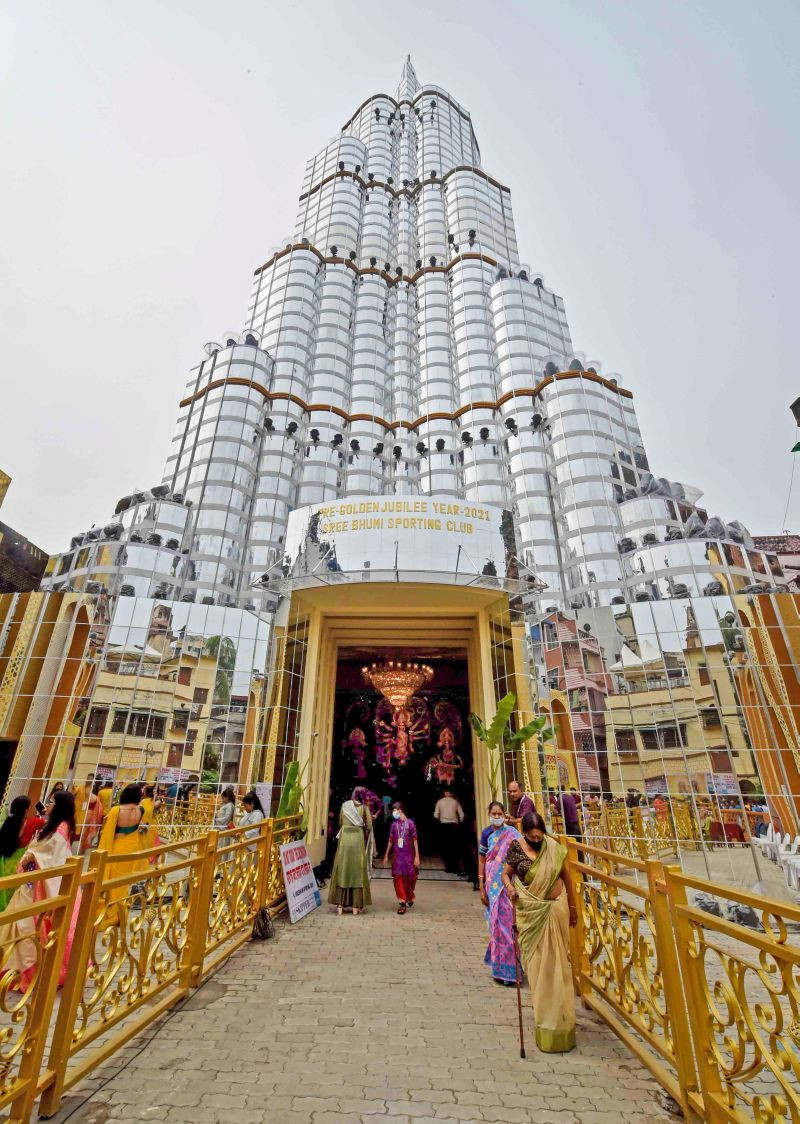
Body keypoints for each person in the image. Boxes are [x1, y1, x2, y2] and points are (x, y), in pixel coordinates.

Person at [502, 810, 578, 1053]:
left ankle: (563, 1025)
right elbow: (506, 874)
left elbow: (566, 877)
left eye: (540, 836)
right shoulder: (516, 848)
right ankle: (545, 1021)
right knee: (539, 970)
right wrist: (509, 889)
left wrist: (574, 908)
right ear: (524, 833)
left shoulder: (553, 848)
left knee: (560, 969)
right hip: (531, 915)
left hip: (555, 912)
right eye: (532, 837)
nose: (537, 840)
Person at [0, 791, 81, 990]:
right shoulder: (51, 825)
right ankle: (15, 969)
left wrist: (31, 856)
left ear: (60, 805)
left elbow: (54, 857)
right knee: (17, 922)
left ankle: (29, 972)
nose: (48, 804)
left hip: (39, 883)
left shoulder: (62, 828)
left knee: (26, 925)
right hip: (31, 882)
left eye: (52, 801)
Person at [478, 800, 521, 986]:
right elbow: (482, 859)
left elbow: (523, 851)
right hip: (491, 885)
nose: (496, 817)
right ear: (489, 814)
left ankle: (512, 971)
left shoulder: (512, 834)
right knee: (495, 928)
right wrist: (481, 885)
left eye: (499, 814)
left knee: (509, 928)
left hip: (507, 885)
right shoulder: (487, 833)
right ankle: (498, 968)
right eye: (493, 814)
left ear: (504, 814)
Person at [96, 784, 149, 922]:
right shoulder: (141, 810)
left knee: (112, 881)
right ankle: (120, 912)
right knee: (124, 882)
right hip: (131, 847)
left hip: (116, 846)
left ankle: (111, 913)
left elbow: (108, 832)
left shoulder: (116, 810)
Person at [328, 786, 372, 916]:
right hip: (357, 842)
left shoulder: (344, 807)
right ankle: (355, 905)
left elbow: (341, 822)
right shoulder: (364, 809)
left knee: (342, 869)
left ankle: (340, 904)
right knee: (356, 871)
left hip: (344, 841)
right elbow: (368, 826)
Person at [382, 801, 420, 914]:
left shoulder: (411, 823)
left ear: (400, 810)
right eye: (393, 810)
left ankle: (410, 895)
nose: (394, 812)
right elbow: (390, 840)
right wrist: (385, 856)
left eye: (395, 810)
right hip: (397, 857)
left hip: (409, 856)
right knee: (398, 878)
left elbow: (415, 840)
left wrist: (417, 856)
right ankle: (402, 902)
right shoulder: (394, 825)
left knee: (411, 878)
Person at [0, 796, 32, 911]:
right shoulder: (29, 824)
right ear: (26, 810)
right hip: (14, 863)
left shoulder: (8, 820)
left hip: (4, 860)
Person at [433, 787, 464, 873]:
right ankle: (455, 867)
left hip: (443, 826)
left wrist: (440, 819)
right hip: (454, 826)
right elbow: (461, 815)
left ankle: (448, 867)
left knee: (445, 847)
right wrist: (460, 822)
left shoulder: (440, 802)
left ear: (444, 793)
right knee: (454, 847)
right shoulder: (456, 802)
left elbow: (435, 815)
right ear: (450, 793)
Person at [78, 780, 105, 854]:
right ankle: (82, 848)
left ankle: (81, 848)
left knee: (84, 832)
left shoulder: (87, 796)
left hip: (86, 814)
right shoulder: (94, 797)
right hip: (90, 814)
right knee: (85, 832)